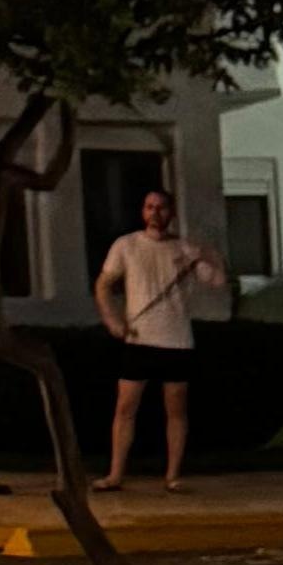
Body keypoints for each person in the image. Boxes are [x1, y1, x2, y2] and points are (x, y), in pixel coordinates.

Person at [97, 183, 225, 482]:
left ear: (171, 213)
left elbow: (217, 280)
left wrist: (208, 253)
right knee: (125, 408)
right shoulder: (126, 245)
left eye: (161, 207)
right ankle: (115, 474)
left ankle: (173, 475)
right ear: (143, 212)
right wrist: (112, 320)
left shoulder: (184, 249)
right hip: (139, 338)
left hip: (176, 340)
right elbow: (103, 285)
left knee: (176, 410)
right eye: (149, 207)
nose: (155, 213)